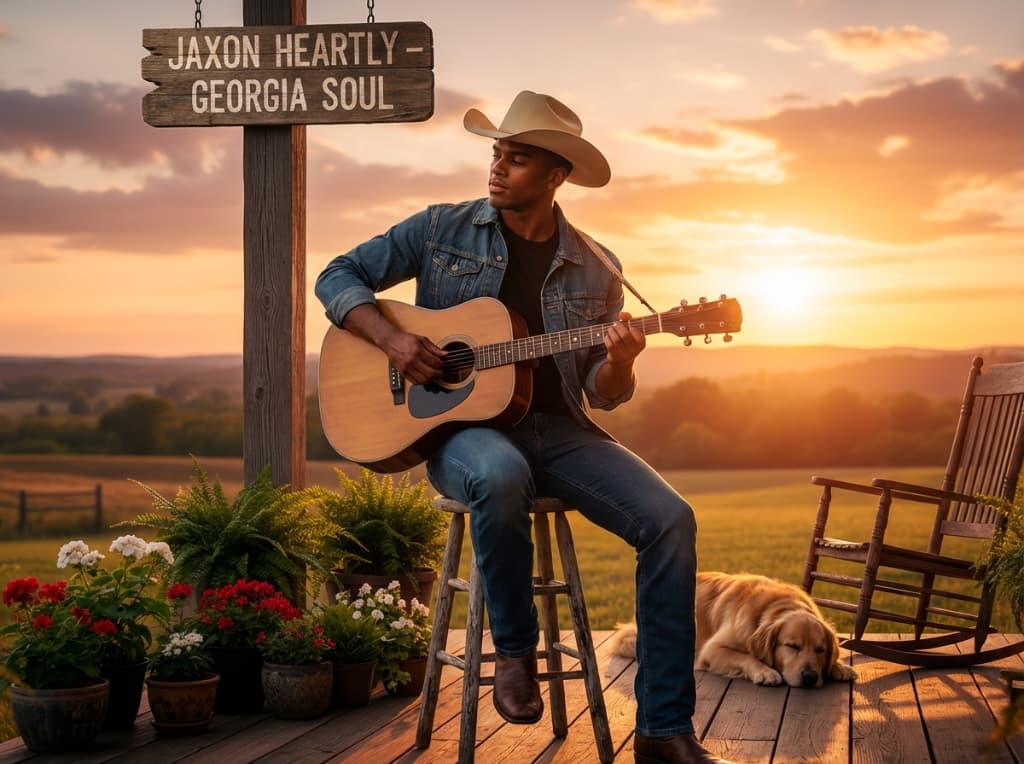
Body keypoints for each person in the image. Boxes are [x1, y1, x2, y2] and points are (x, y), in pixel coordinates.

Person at [314, 90, 729, 764]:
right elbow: (338, 276)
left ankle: (662, 731)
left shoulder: (598, 267)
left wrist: (622, 362)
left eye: (518, 158)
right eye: (497, 154)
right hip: (459, 436)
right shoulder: (442, 229)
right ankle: (514, 651)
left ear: (557, 174)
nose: (498, 167)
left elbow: (604, 391)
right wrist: (391, 341)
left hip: (563, 433)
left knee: (671, 518)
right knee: (501, 473)